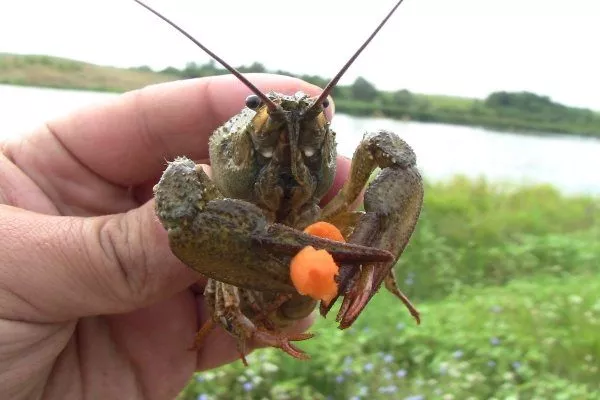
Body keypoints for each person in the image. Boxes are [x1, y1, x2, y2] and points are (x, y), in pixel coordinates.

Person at [0, 74, 353, 399]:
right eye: (257, 109)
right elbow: (188, 214)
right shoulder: (210, 191)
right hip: (235, 270)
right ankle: (238, 310)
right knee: (183, 175)